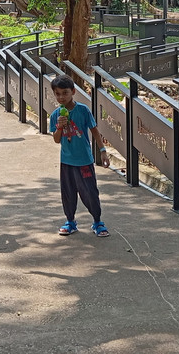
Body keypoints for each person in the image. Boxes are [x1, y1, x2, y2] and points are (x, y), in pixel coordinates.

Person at [48, 75, 110, 238]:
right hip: (66, 161)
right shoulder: (55, 114)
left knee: (90, 192)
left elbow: (94, 130)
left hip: (84, 160)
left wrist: (102, 151)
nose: (61, 97)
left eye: (65, 93)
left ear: (73, 92)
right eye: (58, 94)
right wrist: (59, 127)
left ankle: (97, 221)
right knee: (67, 192)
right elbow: (56, 139)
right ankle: (70, 221)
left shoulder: (83, 110)